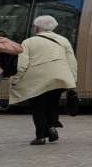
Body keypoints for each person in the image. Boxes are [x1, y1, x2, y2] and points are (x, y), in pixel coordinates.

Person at [9, 16, 78, 145]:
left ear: (37, 27)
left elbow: (22, 65)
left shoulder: (28, 42)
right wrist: (72, 80)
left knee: (38, 107)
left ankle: (40, 136)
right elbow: (72, 62)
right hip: (59, 77)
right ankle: (51, 126)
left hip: (37, 79)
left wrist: (15, 79)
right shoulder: (64, 40)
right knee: (53, 103)